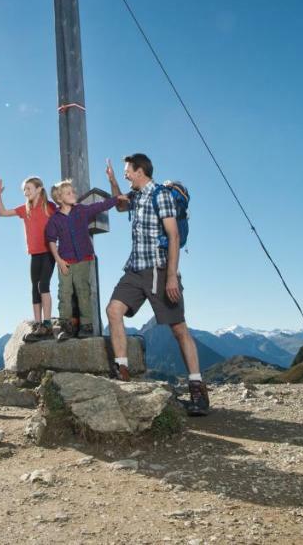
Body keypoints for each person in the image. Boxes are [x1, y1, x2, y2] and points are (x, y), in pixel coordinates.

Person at [105, 154, 210, 415]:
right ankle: (122, 371)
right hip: (134, 269)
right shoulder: (136, 196)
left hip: (159, 270)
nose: (126, 174)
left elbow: (173, 235)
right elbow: (119, 206)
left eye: (127, 171)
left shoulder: (159, 195)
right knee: (113, 311)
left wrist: (172, 275)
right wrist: (113, 181)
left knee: (178, 329)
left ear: (140, 171)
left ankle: (197, 388)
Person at [44, 178, 120, 341]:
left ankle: (86, 326)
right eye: (68, 193)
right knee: (64, 294)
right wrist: (58, 260)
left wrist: (117, 199)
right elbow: (51, 240)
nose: (73, 194)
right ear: (59, 198)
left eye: (73, 191)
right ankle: (65, 327)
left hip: (84, 259)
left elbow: (100, 206)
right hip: (65, 262)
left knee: (83, 292)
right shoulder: (55, 220)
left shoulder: (81, 211)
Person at [0, 176, 58, 342]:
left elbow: (63, 218)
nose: (25, 192)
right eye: (24, 190)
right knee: (34, 288)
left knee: (43, 285)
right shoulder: (25, 209)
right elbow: (2, 213)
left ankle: (47, 323)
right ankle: (38, 324)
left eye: (28, 188)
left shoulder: (49, 206)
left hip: (48, 251)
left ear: (38, 189)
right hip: (34, 254)